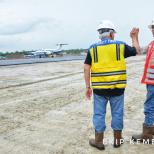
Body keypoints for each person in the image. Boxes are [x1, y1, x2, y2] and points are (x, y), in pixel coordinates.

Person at [84, 20, 140, 150]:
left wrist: (88, 87)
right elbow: (136, 50)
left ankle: (98, 141)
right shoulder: (120, 46)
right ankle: (117, 140)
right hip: (117, 89)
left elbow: (87, 67)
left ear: (100, 34)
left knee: (98, 114)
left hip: (99, 89)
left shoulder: (93, 48)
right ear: (111, 33)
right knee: (117, 113)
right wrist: (134, 37)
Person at [132, 20, 154, 143]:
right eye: (153, 27)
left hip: (152, 83)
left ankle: (147, 135)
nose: (153, 30)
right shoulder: (151, 44)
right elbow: (138, 50)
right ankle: (151, 129)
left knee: (149, 106)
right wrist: (135, 37)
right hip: (151, 82)